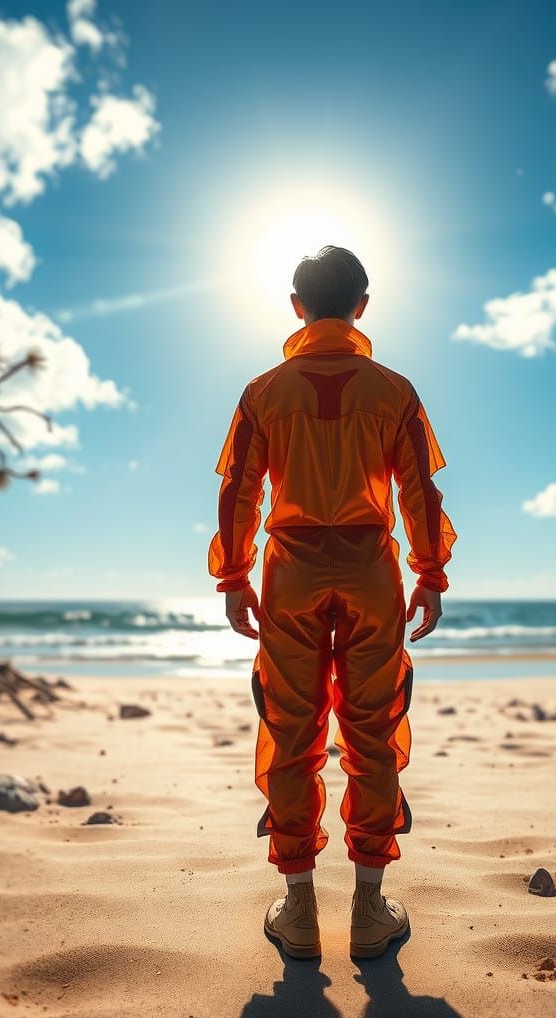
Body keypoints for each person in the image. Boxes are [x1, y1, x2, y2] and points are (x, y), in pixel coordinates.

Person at [208, 245, 456, 959]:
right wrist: (430, 572)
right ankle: (371, 913)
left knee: (291, 732)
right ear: (363, 306)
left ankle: (300, 911)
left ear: (295, 307)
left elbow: (239, 493)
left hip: (290, 573)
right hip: (372, 571)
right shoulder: (395, 390)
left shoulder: (263, 392)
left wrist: (234, 578)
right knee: (373, 730)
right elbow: (420, 493)